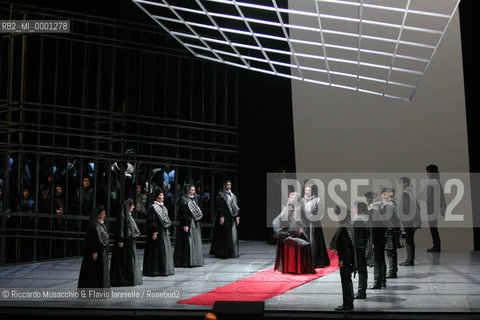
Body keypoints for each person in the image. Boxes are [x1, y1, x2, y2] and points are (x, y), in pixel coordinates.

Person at [273, 192, 315, 274]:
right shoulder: (286, 208)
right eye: (292, 197)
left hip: (298, 228)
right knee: (285, 238)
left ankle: (299, 268)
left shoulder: (300, 208)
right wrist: (280, 229)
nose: (293, 199)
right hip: (289, 229)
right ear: (289, 199)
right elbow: (279, 220)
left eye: (295, 198)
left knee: (301, 238)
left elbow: (305, 219)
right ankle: (288, 268)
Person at [110, 198, 143, 286]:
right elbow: (121, 228)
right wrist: (120, 239)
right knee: (123, 261)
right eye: (132, 205)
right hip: (124, 242)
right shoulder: (122, 216)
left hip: (128, 241)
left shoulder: (128, 215)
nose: (133, 207)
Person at [143, 189, 174, 276]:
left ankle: (163, 268)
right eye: (160, 195)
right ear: (156, 197)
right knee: (156, 250)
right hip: (157, 231)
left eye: (163, 195)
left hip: (163, 231)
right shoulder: (153, 208)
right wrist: (154, 231)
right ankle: (155, 270)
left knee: (163, 249)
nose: (162, 197)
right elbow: (152, 221)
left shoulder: (163, 207)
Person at [78, 205, 110, 288]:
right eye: (103, 213)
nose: (104, 215)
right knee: (94, 271)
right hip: (95, 252)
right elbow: (91, 240)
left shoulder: (101, 224)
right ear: (98, 214)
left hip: (101, 251)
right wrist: (94, 251)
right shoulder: (93, 226)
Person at [330, 205, 355, 311]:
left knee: (345, 281)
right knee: (347, 280)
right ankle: (349, 302)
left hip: (345, 258)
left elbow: (345, 247)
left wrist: (342, 260)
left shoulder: (344, 228)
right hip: (348, 258)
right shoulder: (348, 226)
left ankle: (347, 303)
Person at [174, 184, 204, 267]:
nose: (193, 192)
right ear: (188, 191)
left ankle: (194, 260)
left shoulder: (193, 200)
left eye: (194, 190)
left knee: (194, 241)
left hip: (193, 223)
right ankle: (186, 261)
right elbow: (183, 214)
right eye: (192, 190)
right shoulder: (184, 200)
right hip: (188, 223)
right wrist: (185, 224)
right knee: (187, 241)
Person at [299, 184, 330, 268]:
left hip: (314, 223)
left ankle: (316, 262)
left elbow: (321, 210)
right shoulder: (301, 200)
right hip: (305, 223)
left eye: (309, 190)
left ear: (312, 191)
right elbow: (299, 211)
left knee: (315, 241)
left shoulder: (317, 200)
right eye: (306, 190)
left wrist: (314, 215)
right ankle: (305, 262)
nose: (307, 192)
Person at [210, 180, 240, 258]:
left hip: (231, 217)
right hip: (224, 217)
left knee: (232, 234)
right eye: (227, 185)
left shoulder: (232, 195)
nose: (229, 186)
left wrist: (236, 216)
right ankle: (223, 252)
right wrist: (221, 216)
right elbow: (220, 207)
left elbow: (235, 207)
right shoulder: (221, 195)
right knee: (224, 235)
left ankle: (231, 251)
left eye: (230, 185)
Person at [365, 191, 386, 289]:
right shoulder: (380, 208)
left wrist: (372, 240)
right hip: (381, 236)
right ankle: (382, 281)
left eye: (366, 199)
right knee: (381, 259)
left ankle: (377, 281)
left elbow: (373, 226)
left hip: (377, 237)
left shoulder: (373, 210)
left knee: (377, 260)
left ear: (369, 199)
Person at [398, 177, 421, 266]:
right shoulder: (411, 193)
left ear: (406, 183)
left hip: (408, 221)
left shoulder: (406, 194)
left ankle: (410, 259)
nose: (401, 185)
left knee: (409, 240)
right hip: (412, 220)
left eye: (402, 183)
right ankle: (410, 259)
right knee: (410, 240)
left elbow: (406, 208)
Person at [422, 164, 446, 252]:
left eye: (428, 172)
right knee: (433, 227)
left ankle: (436, 246)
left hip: (432, 208)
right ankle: (436, 245)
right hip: (433, 208)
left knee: (433, 228)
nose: (427, 174)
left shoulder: (433, 182)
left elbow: (425, 196)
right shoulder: (436, 182)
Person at [352, 201, 373, 299]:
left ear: (358, 209)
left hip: (360, 248)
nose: (354, 209)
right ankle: (362, 290)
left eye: (355, 207)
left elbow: (357, 237)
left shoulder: (359, 220)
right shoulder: (366, 218)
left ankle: (361, 291)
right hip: (364, 246)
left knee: (361, 269)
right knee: (363, 270)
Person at [382, 187, 402, 279]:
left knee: (390, 252)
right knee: (392, 252)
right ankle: (393, 271)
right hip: (393, 230)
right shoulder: (393, 204)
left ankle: (392, 272)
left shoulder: (388, 205)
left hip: (390, 231)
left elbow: (387, 219)